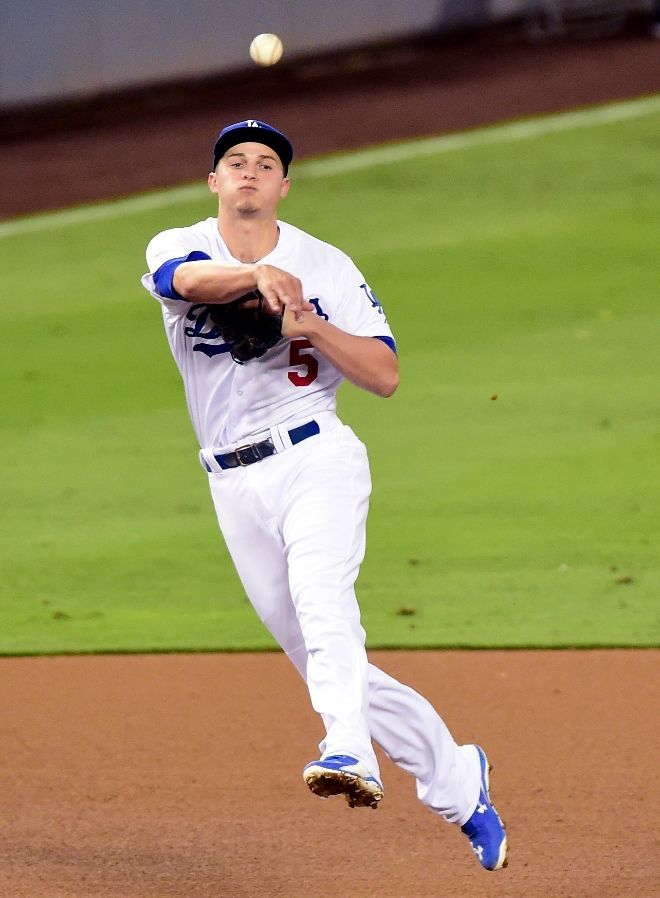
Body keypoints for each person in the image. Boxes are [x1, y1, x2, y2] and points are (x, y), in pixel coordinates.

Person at [141, 119, 508, 871]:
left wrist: (311, 323)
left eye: (264, 163)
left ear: (283, 186)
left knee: (323, 600)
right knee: (326, 659)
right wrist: (256, 280)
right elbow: (181, 282)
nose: (248, 171)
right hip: (232, 483)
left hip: (317, 459)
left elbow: (385, 374)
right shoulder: (177, 244)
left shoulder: (327, 264)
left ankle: (349, 752)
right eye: (233, 162)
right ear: (214, 182)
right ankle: (456, 780)